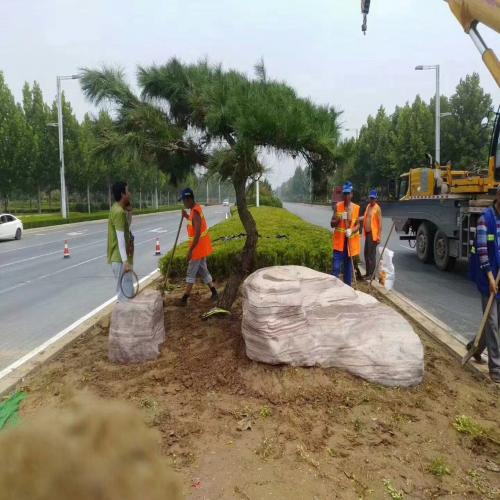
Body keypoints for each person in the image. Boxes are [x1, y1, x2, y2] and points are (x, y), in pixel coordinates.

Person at [468, 187, 500, 383]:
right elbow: (482, 251)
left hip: (499, 277)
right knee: (493, 323)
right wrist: (490, 278)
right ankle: (496, 369)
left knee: (494, 323)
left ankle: (476, 346)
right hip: (486, 277)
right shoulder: (484, 220)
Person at [177, 188, 218, 306]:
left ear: (189, 199)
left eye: (184, 200)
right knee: (203, 270)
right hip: (200, 247)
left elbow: (197, 233)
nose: (183, 203)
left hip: (197, 248)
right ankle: (214, 292)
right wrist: (186, 216)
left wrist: (190, 251)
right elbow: (194, 224)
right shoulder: (194, 210)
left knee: (191, 272)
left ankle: (184, 298)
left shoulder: (195, 212)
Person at [107, 181, 134, 301]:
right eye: (128, 191)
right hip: (120, 259)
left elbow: (126, 226)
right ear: (123, 194)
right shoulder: (118, 212)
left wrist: (129, 212)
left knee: (125, 293)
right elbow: (120, 238)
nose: (130, 194)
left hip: (120, 259)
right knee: (126, 296)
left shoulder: (117, 209)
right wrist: (125, 262)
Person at [331, 182, 360, 287]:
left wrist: (352, 230)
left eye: (348, 193)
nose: (346, 196)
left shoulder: (356, 208)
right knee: (336, 268)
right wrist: (338, 219)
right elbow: (332, 223)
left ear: (352, 194)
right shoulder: (338, 206)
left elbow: (357, 225)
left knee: (348, 273)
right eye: (345, 194)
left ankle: (347, 291)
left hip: (349, 246)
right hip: (339, 245)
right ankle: (333, 290)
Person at [363, 189, 383, 279]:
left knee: (371, 254)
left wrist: (378, 236)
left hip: (373, 235)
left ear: (376, 199)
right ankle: (367, 273)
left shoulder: (377, 208)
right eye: (371, 198)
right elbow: (365, 217)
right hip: (367, 234)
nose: (372, 200)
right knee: (366, 253)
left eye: (373, 198)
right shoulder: (368, 206)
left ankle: (372, 275)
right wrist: (356, 219)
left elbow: (380, 224)